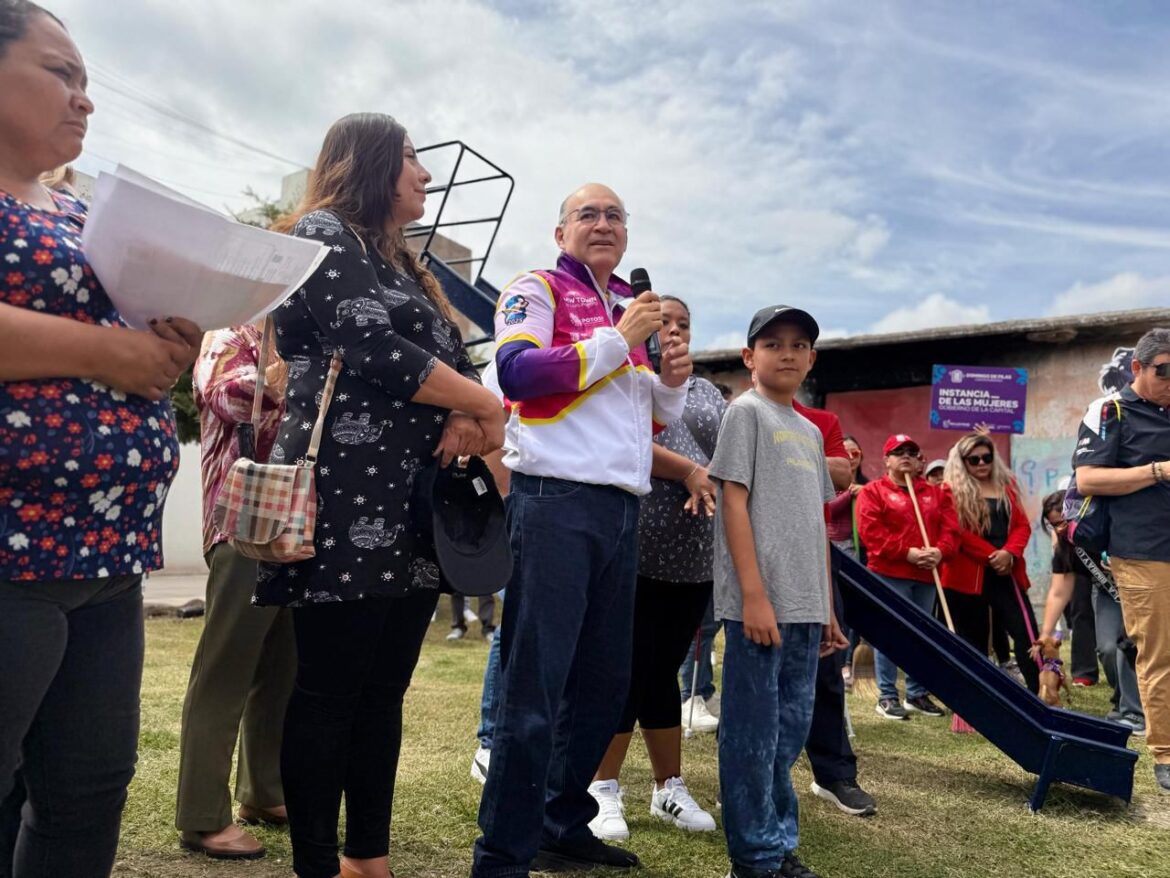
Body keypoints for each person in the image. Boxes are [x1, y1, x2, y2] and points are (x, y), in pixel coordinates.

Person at [259, 113, 505, 878]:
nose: (426, 176)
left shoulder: (401, 260)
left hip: (410, 502)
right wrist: (487, 407)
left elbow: (446, 359)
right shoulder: (326, 232)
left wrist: (469, 407)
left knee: (385, 690)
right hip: (344, 496)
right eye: (411, 160)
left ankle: (369, 858)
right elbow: (370, 345)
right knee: (331, 689)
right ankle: (316, 863)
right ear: (368, 162)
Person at [0, 4, 201, 875]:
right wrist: (113, 353)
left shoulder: (82, 208)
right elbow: (100, 352)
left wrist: (170, 348)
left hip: (106, 555)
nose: (85, 100)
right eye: (61, 73)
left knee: (87, 790)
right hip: (12, 552)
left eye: (87, 82)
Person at [472, 183, 692, 878]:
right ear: (560, 230)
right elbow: (517, 373)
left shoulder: (629, 306)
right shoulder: (535, 287)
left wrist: (672, 383)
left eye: (615, 216)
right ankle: (502, 854)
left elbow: (634, 418)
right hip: (556, 502)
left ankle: (559, 824)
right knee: (534, 686)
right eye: (588, 215)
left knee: (603, 684)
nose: (603, 224)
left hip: (621, 507)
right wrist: (616, 341)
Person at [710, 305, 846, 878]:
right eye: (772, 343)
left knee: (789, 728)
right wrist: (753, 595)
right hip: (758, 605)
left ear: (811, 359)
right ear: (750, 357)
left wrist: (828, 606)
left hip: (806, 605)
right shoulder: (745, 414)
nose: (787, 353)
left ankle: (777, 840)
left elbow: (816, 522)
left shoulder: (813, 430)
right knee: (751, 730)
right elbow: (733, 504)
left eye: (798, 345)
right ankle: (755, 856)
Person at [587, 295, 722, 841]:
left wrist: (710, 476)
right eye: (664, 322)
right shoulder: (627, 378)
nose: (674, 331)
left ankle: (669, 787)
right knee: (625, 668)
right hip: (634, 547)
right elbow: (627, 443)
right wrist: (691, 471)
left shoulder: (711, 390)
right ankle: (601, 788)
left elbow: (730, 456)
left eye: (684, 323)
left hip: (693, 557)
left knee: (661, 668)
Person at [174, 324, 296, 860]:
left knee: (283, 667)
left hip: (299, 525)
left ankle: (263, 792)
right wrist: (296, 376)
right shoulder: (232, 337)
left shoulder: (307, 336)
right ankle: (202, 816)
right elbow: (227, 395)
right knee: (225, 668)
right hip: (242, 522)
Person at [1073, 327, 1170, 791]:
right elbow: (1088, 478)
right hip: (1143, 550)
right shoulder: (1109, 410)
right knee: (1159, 654)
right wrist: (1157, 471)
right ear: (1137, 368)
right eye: (1164, 371)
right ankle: (1166, 754)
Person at [856, 434, 958, 720]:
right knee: (891, 633)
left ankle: (916, 693)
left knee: (921, 634)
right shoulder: (873, 492)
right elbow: (871, 534)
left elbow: (951, 529)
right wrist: (908, 552)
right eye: (898, 452)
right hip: (889, 573)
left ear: (918, 460)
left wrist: (940, 551)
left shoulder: (936, 493)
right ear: (886, 459)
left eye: (911, 452)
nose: (906, 456)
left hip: (927, 575)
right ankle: (887, 696)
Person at [939, 433, 1040, 694]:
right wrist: (993, 556)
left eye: (987, 457)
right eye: (974, 460)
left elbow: (1022, 525)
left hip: (1007, 572)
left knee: (1026, 632)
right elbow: (957, 533)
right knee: (973, 640)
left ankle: (1039, 692)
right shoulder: (949, 490)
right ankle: (975, 697)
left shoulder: (1008, 485)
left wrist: (1010, 552)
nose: (982, 463)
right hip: (967, 575)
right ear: (962, 462)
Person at [1037, 491, 1143, 733]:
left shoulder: (1104, 527)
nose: (1061, 529)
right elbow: (1058, 592)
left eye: (1064, 522)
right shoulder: (1066, 547)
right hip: (1106, 592)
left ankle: (1133, 712)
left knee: (1126, 647)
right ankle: (1122, 700)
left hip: (1135, 590)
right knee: (1106, 649)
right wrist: (1045, 633)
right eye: (1054, 525)